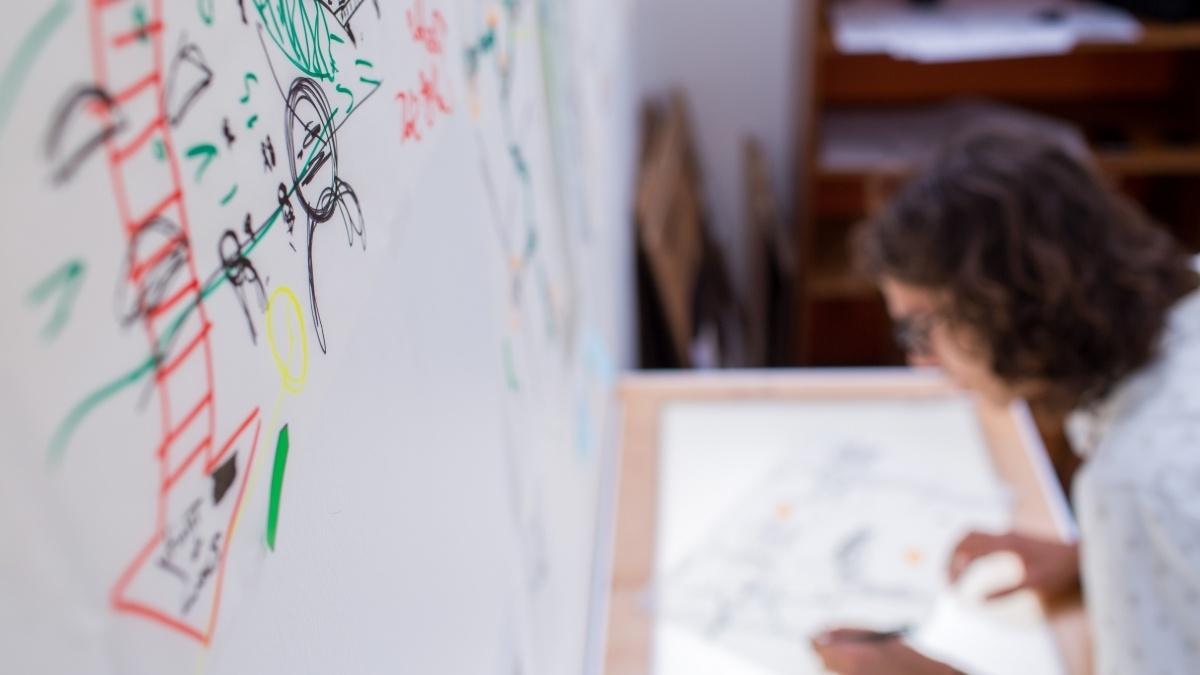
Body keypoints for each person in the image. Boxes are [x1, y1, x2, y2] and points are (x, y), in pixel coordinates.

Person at [812, 126, 1200, 674]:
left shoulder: (1133, 481)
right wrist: (1092, 559)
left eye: (922, 331)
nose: (921, 363)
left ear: (1005, 312)